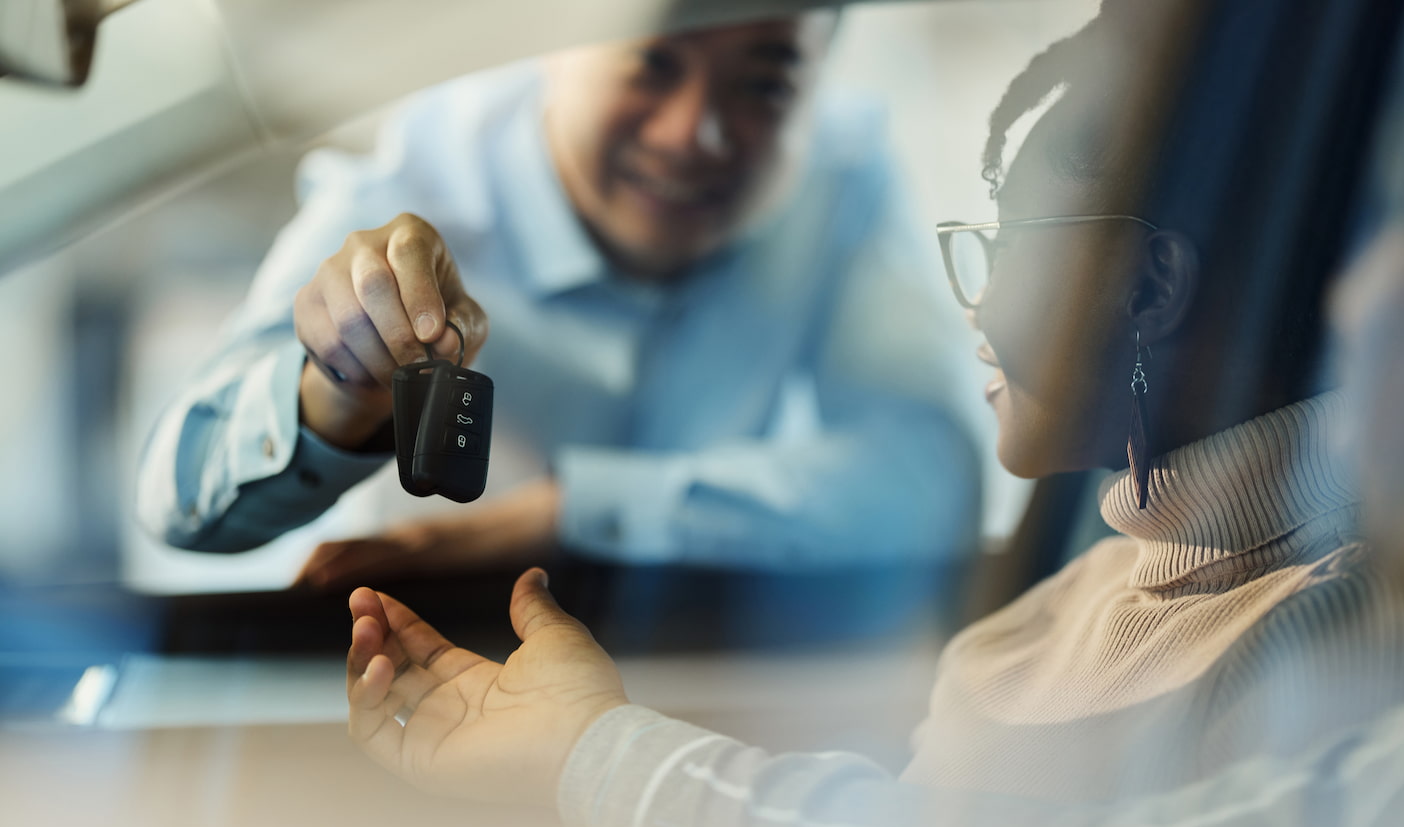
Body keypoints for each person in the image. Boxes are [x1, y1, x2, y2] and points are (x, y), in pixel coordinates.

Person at [342, 0, 1404, 827]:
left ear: (1148, 281)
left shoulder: (1349, 629)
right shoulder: (1052, 611)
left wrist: (590, 753)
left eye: (999, 247)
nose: (973, 307)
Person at [134, 15, 984, 584]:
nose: (696, 133)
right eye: (653, 62)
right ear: (551, 31)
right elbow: (176, 503)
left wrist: (572, 515)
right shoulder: (420, 184)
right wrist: (336, 393)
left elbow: (931, 478)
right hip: (436, 686)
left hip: (718, 690)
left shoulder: (842, 180)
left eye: (764, 85)